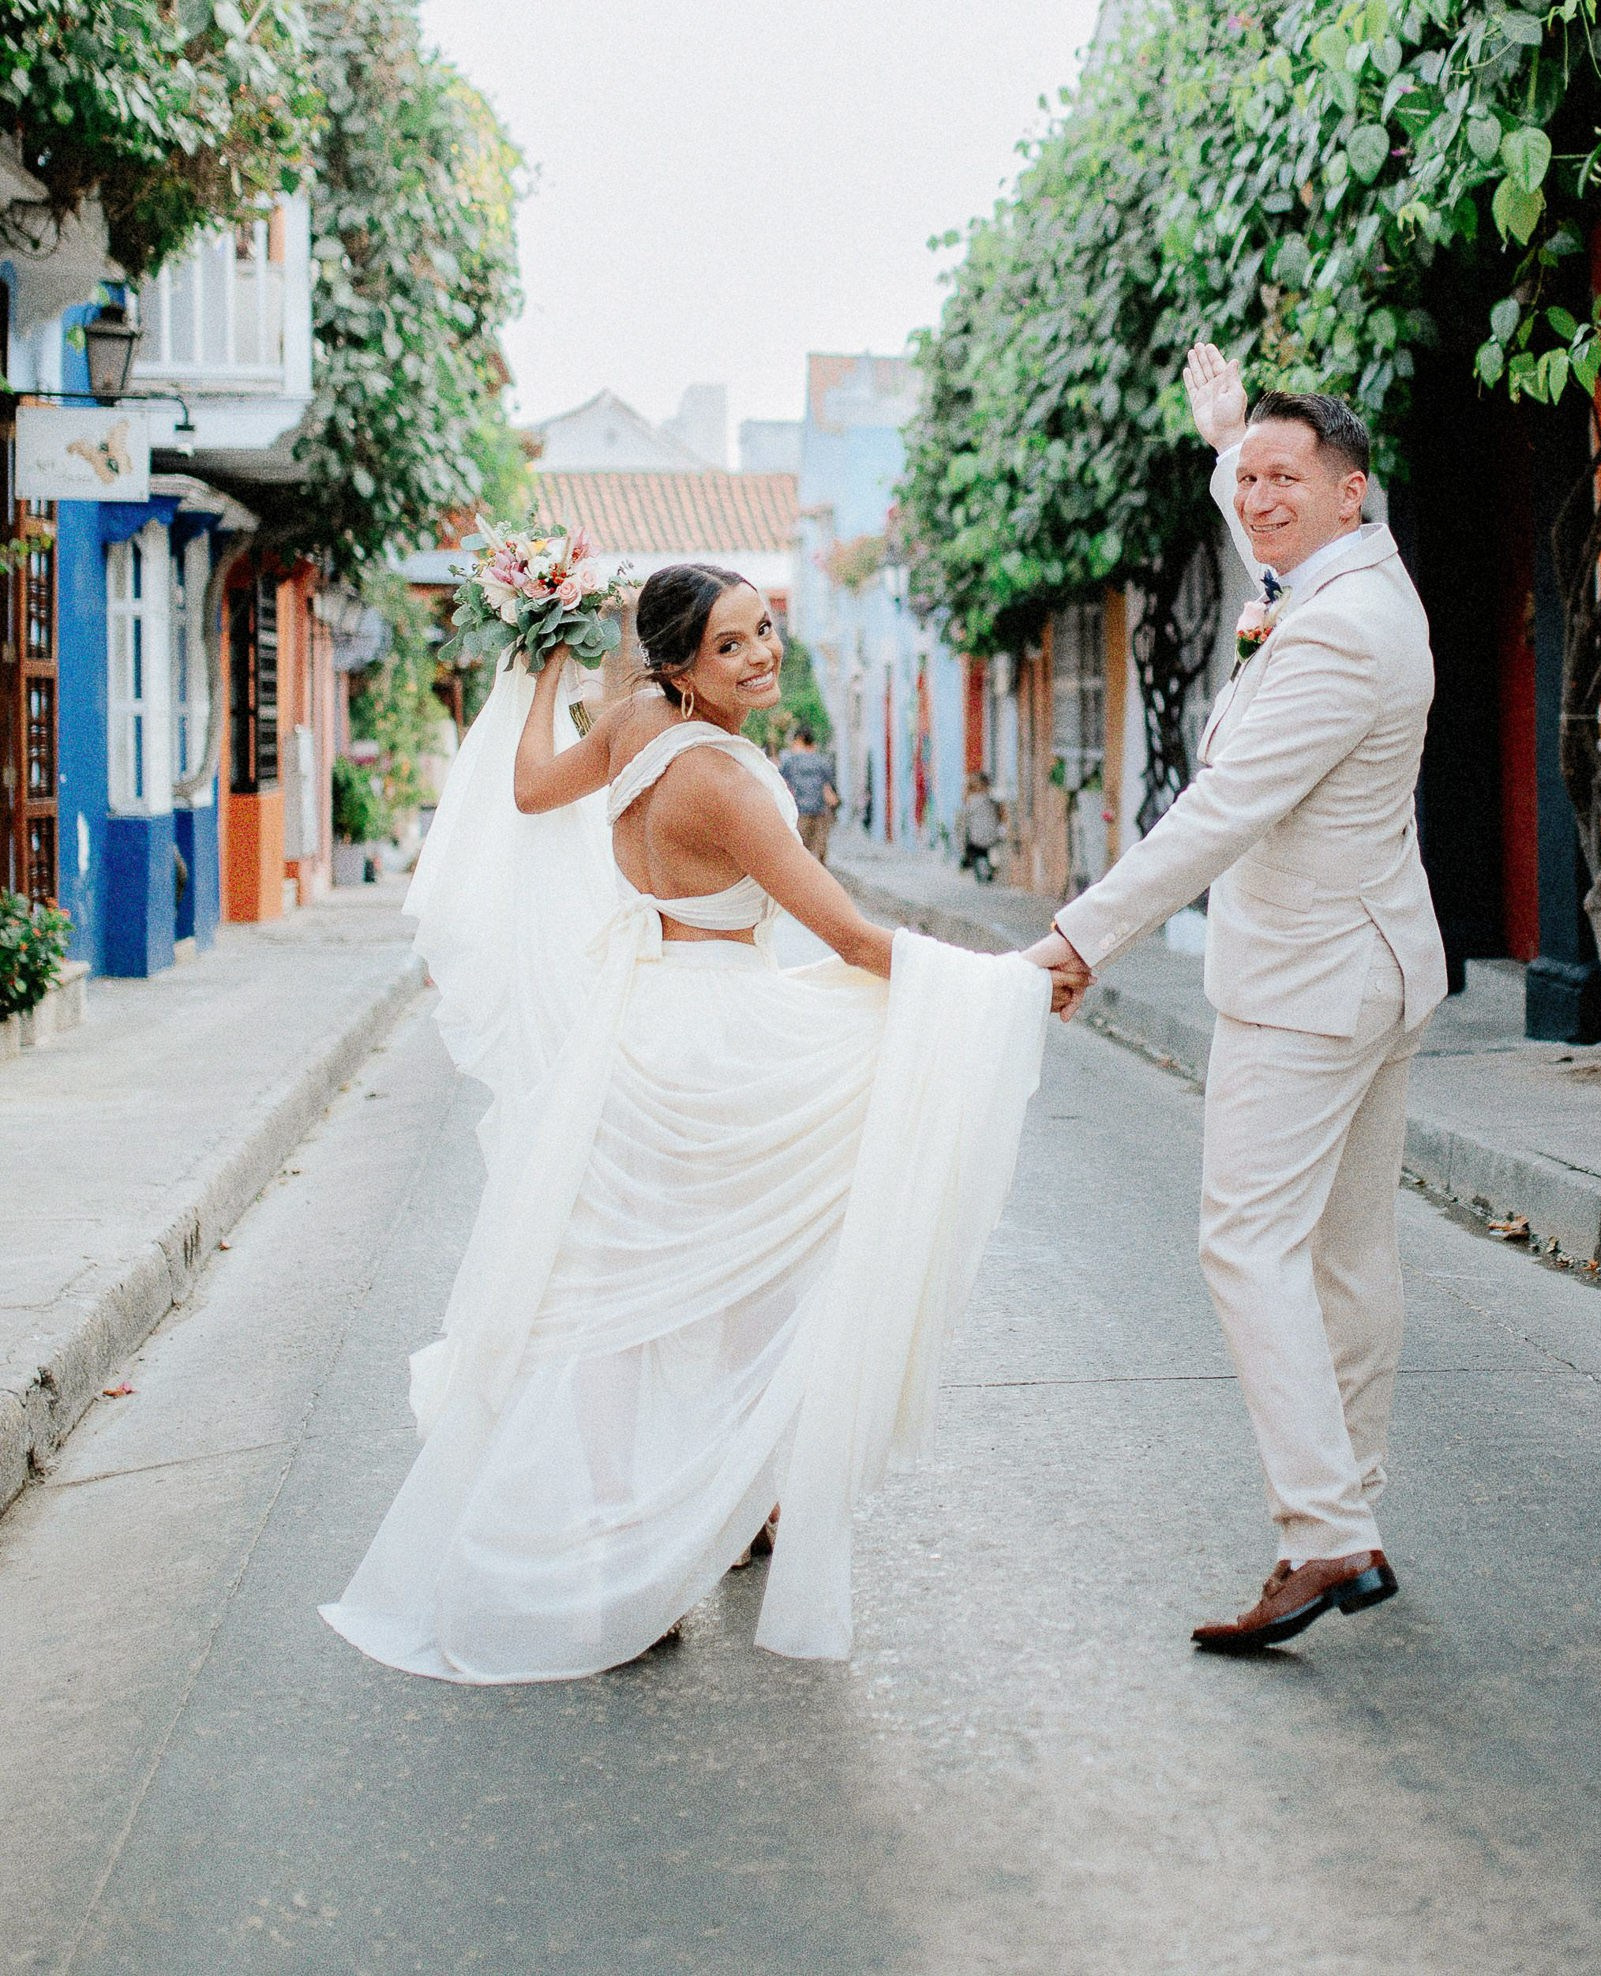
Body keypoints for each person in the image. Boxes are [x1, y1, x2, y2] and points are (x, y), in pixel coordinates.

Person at [322, 564, 1074, 1682]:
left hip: (634, 1035)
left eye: (765, 629)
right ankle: (705, 1517)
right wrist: (1007, 980)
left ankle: (655, 1521)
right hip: (722, 1039)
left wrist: (539, 671)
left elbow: (529, 789)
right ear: (677, 664)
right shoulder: (722, 778)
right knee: (757, 1276)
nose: (762, 655)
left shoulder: (629, 725)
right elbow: (856, 941)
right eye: (730, 646)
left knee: (623, 1297)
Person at [1029, 342, 1446, 1657]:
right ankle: (1356, 1512)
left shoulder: (1337, 633)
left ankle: (1319, 1531)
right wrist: (1232, 442)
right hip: (1374, 965)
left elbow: (1219, 812)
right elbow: (1265, 508)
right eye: (1245, 477)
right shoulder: (1352, 577)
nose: (1257, 496)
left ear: (1353, 491)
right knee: (1345, 1251)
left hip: (1309, 989)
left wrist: (1079, 936)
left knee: (1247, 1245)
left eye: (1285, 478)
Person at [778, 722, 839, 859]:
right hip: (820, 811)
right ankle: (821, 879)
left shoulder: (790, 761)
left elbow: (781, 783)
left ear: (799, 739)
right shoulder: (822, 761)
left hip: (799, 811)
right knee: (820, 850)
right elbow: (830, 786)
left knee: (800, 852)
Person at [956, 769, 1004, 882]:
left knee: (974, 850)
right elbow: (1000, 817)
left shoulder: (971, 802)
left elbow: (964, 823)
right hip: (992, 836)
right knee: (985, 852)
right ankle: (988, 869)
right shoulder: (991, 801)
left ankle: (970, 864)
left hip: (976, 839)